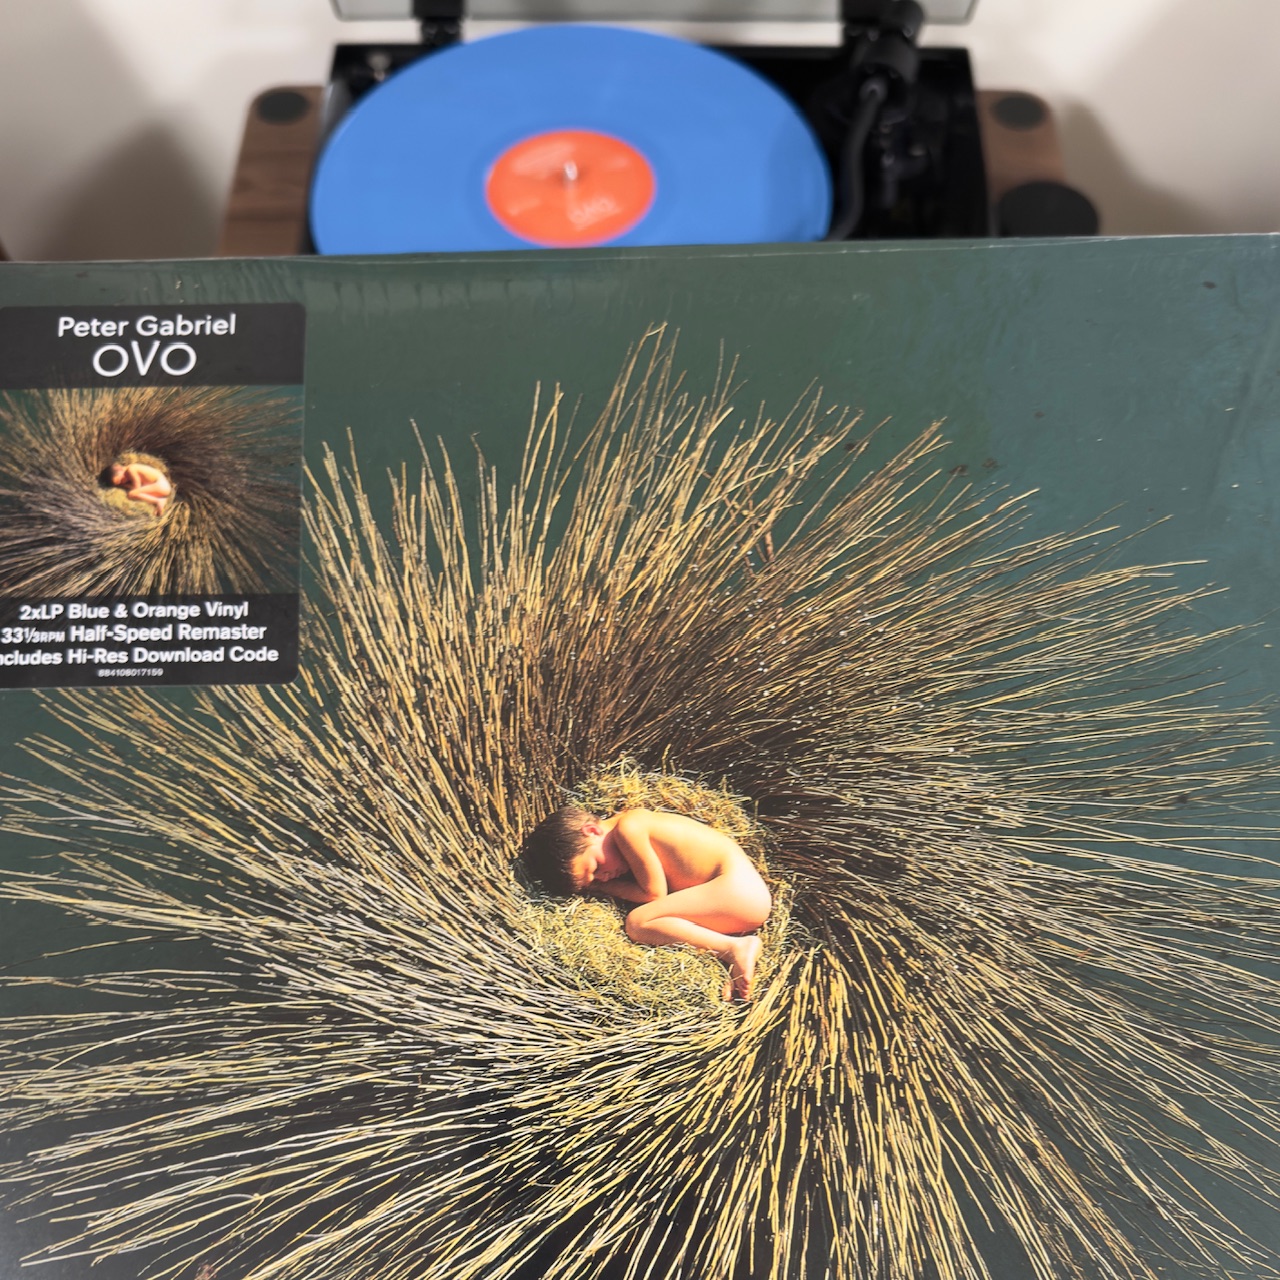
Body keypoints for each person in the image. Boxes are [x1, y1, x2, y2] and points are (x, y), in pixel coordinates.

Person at [522, 806, 771, 1000]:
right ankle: (732, 958)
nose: (604, 877)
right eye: (596, 880)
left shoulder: (628, 829)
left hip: (738, 891)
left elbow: (654, 894)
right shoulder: (629, 826)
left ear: (592, 831)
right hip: (733, 898)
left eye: (596, 868)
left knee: (638, 923)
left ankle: (733, 948)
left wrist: (599, 888)